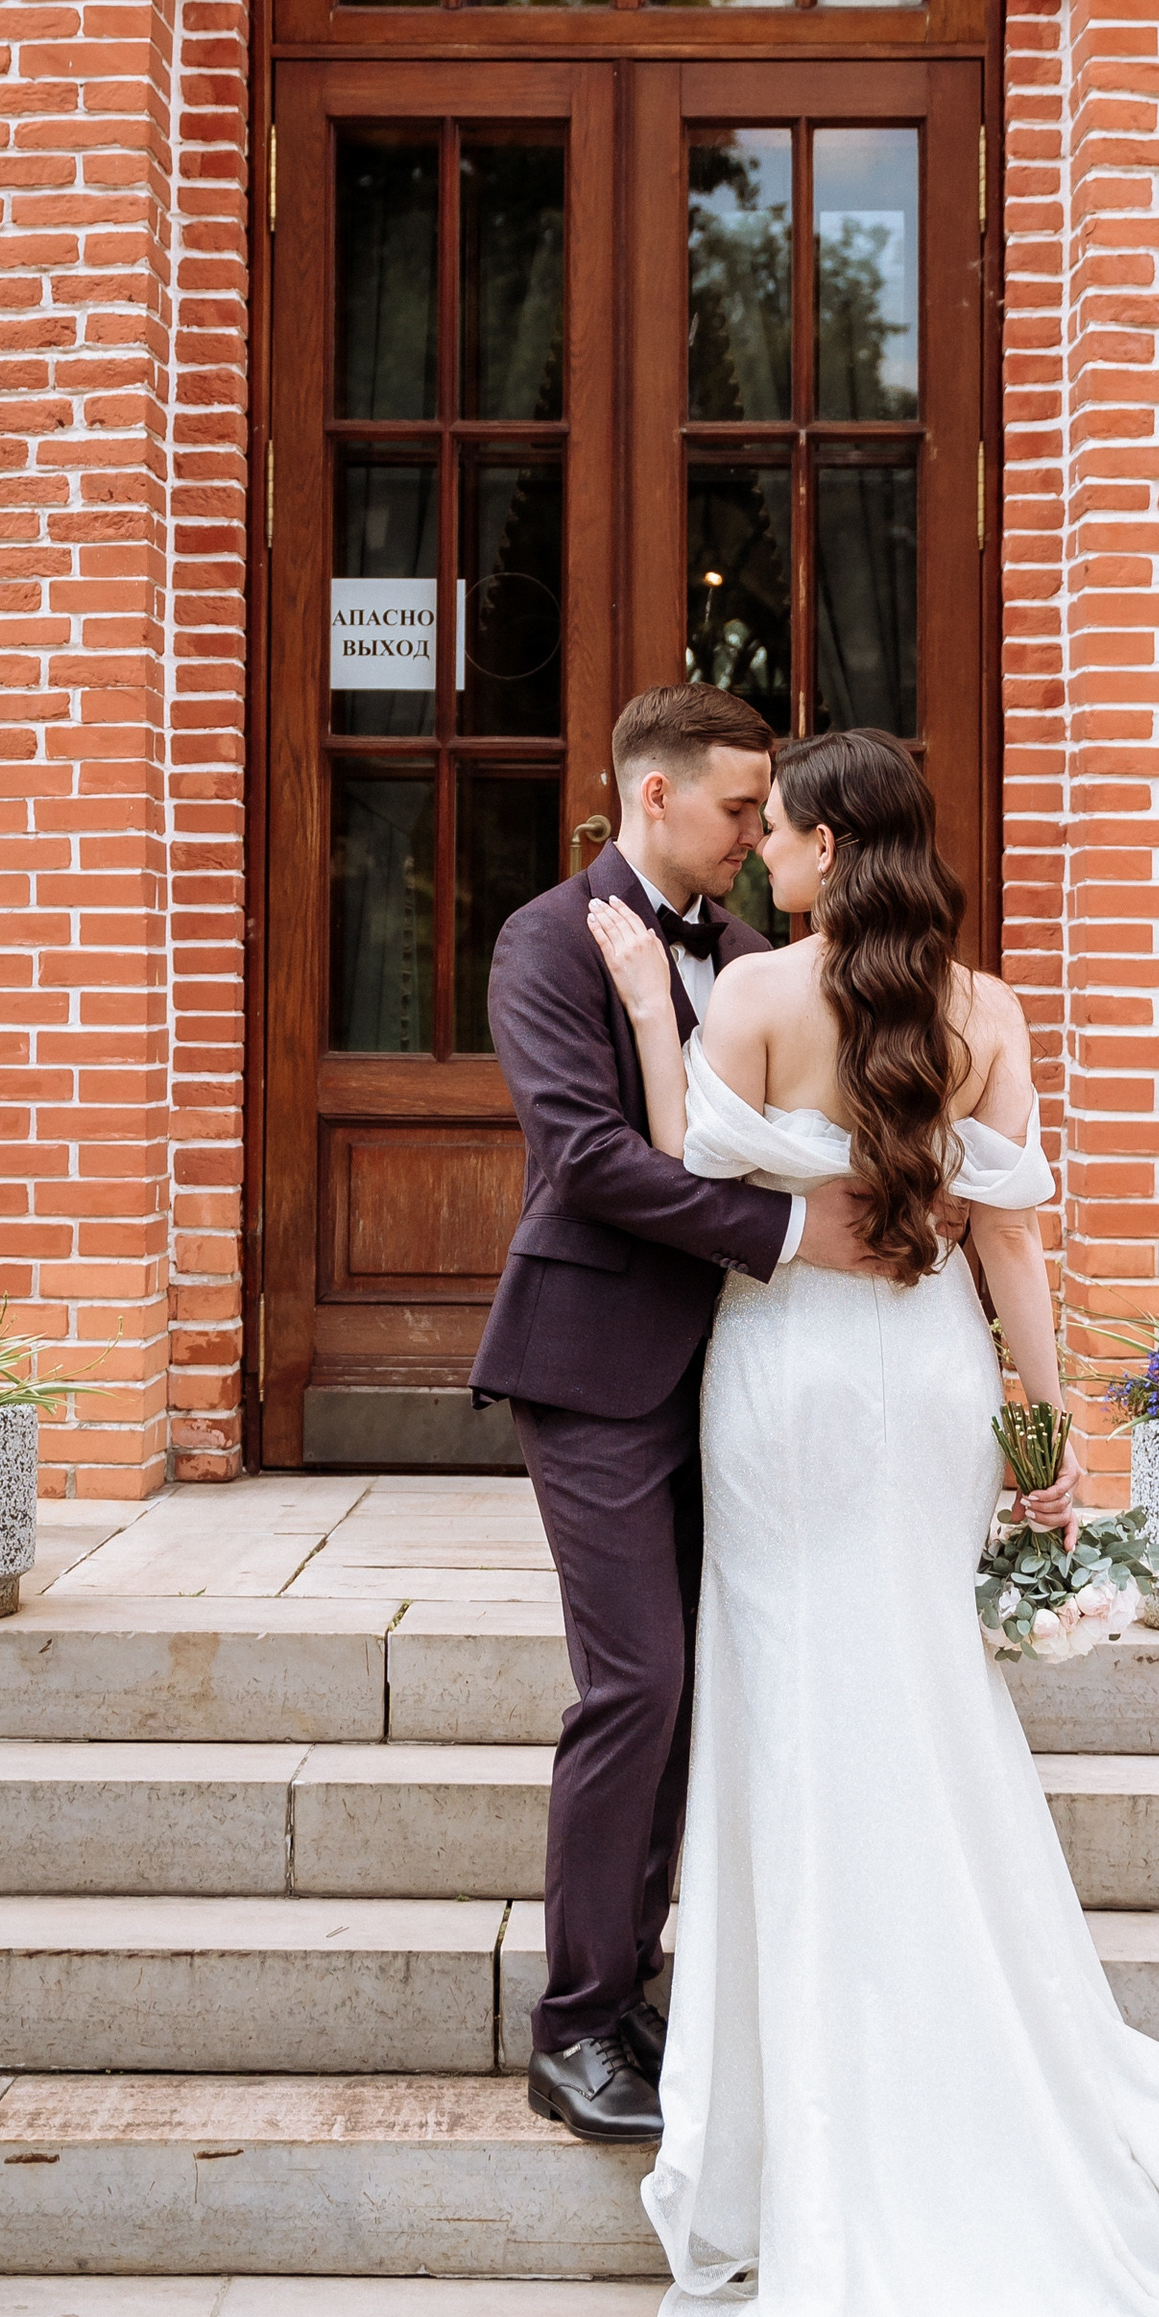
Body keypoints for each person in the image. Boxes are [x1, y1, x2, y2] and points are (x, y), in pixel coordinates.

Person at [589, 725, 1159, 2317]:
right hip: (933, 1387)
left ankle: (808, 2110)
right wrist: (1049, 1439)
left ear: (818, 848)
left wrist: (650, 1001)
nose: (768, 855)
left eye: (781, 832)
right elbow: (1019, 1239)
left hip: (792, 1392)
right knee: (924, 1704)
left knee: (800, 1711)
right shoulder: (993, 1013)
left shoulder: (744, 998)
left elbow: (686, 1160)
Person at [471, 685, 906, 2145]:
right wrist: (790, 1244)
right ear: (652, 798)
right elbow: (591, 1157)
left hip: (733, 1380)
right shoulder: (543, 940)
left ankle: (646, 1983)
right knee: (637, 1686)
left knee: (704, 1686)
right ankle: (576, 2024)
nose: (752, 834)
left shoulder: (744, 949)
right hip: (591, 1363)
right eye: (735, 809)